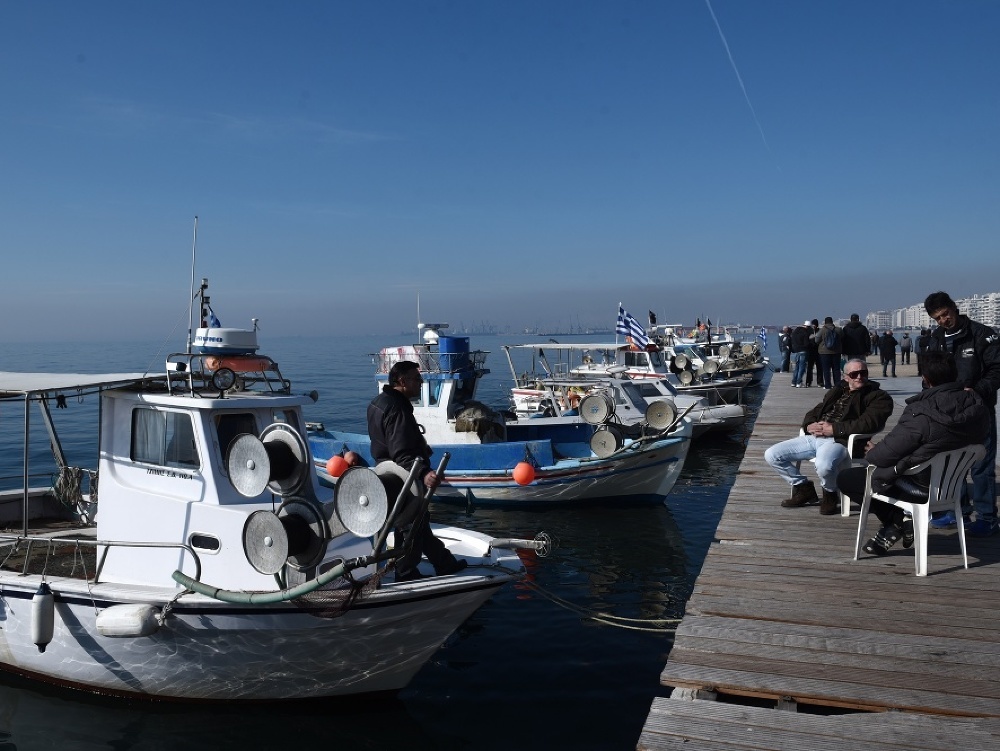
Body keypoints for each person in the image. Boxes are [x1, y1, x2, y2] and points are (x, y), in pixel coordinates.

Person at [837, 351, 990, 555]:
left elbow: (883, 456)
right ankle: (897, 523)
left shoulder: (920, 412)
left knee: (848, 478)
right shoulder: (977, 406)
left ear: (925, 379)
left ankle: (896, 521)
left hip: (918, 486)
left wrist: (874, 452)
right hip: (952, 487)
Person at [367, 360, 467, 580]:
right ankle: (406, 572)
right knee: (412, 524)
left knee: (418, 523)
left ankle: (444, 563)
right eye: (417, 378)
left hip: (386, 474)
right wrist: (423, 473)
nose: (421, 383)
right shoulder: (397, 408)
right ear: (401, 381)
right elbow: (401, 452)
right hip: (402, 478)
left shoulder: (378, 402)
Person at [764, 358, 894, 515]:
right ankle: (803, 488)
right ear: (846, 377)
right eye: (854, 374)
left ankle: (830, 493)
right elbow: (817, 409)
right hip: (816, 436)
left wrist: (834, 429)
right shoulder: (838, 391)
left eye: (863, 372)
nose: (859, 376)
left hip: (840, 440)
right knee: (772, 455)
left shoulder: (878, 397)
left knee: (824, 465)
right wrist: (809, 425)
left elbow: (869, 423)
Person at [923, 291, 1000, 536]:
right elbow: (928, 371)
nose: (944, 321)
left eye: (945, 314)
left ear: (954, 309)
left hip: (979, 410)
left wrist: (976, 390)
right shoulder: (935, 338)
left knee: (982, 466)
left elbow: (997, 371)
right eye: (937, 318)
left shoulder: (982, 334)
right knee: (951, 463)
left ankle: (987, 518)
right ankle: (957, 511)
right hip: (947, 411)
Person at [813, 316, 843, 389]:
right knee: (836, 369)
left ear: (825, 322)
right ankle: (837, 385)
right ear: (832, 322)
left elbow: (816, 340)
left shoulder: (822, 330)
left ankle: (827, 385)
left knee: (826, 369)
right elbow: (843, 338)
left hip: (824, 352)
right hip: (836, 352)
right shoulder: (838, 330)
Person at [789, 320, 813, 388]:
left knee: (797, 367)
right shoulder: (805, 333)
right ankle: (799, 382)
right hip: (803, 351)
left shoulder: (795, 332)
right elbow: (806, 344)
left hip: (796, 351)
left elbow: (792, 341)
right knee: (802, 367)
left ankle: (793, 382)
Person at [805, 319, 821, 387]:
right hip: (810, 351)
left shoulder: (820, 331)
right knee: (809, 367)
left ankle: (820, 382)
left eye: (814, 324)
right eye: (813, 324)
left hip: (818, 351)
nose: (813, 326)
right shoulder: (809, 331)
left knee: (820, 368)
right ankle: (808, 381)